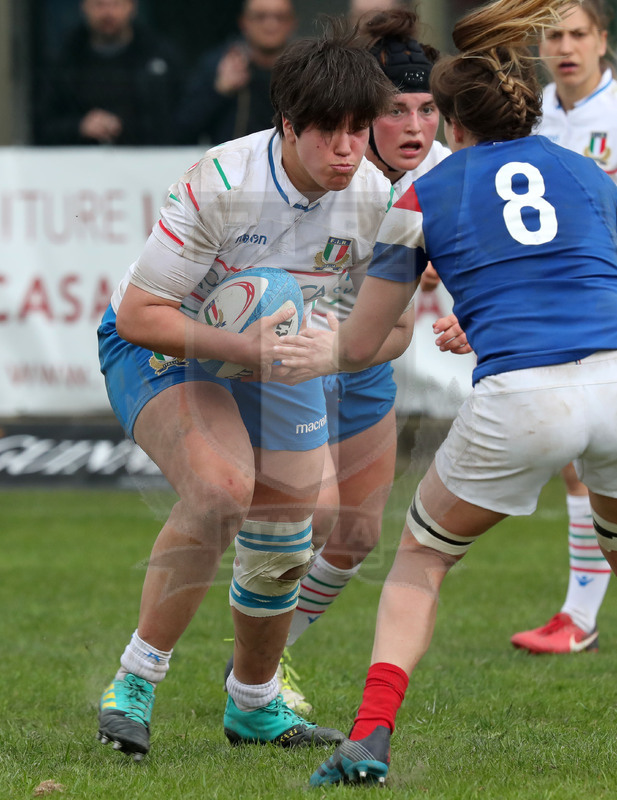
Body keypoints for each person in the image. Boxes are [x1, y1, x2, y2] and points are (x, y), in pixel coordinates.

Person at [272, 0, 617, 785]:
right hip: (615, 377)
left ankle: (366, 738)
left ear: (452, 124)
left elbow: (360, 344)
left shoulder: (421, 196)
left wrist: (297, 352)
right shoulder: (587, 171)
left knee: (421, 559)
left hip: (525, 399)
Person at [95, 22, 398, 760]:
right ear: (287, 126)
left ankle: (254, 703)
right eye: (327, 133)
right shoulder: (224, 183)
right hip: (173, 344)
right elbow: (139, 315)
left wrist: (331, 349)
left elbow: (393, 332)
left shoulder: (373, 195)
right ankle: (134, 682)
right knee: (222, 488)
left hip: (279, 352)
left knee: (305, 516)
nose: (347, 151)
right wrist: (245, 346)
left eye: (359, 132)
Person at [274, 7, 451, 717]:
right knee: (310, 516)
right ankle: (243, 667)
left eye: (427, 108)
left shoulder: (439, 173)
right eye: (394, 110)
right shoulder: (329, 160)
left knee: (355, 534)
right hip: (293, 350)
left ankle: (265, 651)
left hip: (365, 354)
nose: (413, 126)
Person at [510, 0, 617, 655]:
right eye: (553, 35)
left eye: (578, 33)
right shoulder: (528, 119)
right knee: (582, 460)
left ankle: (578, 615)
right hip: (564, 305)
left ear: (601, 39)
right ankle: (576, 615)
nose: (566, 45)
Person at [35, 0, 184, 146]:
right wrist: (79, 126)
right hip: (79, 161)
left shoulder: (160, 58)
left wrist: (126, 127)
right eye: (99, 5)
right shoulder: (64, 60)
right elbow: (41, 126)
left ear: (132, 7)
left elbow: (179, 122)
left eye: (116, 4)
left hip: (150, 160)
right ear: (84, 7)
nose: (108, 13)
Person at [176, 0, 296, 146]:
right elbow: (182, 131)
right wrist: (220, 90)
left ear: (292, 23)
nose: (270, 25)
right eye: (260, 16)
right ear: (243, 22)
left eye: (280, 17)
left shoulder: (305, 70)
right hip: (229, 164)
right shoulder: (218, 64)